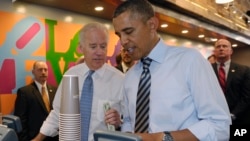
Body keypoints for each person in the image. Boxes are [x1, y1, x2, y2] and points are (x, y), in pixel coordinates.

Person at [112, 0, 231, 141]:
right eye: (119, 35)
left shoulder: (190, 61)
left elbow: (219, 125)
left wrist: (162, 138)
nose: (123, 41)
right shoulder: (130, 76)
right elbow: (128, 121)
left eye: (129, 31)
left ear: (152, 25)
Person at [32, 23, 124, 141]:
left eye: (103, 46)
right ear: (81, 48)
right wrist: (38, 139)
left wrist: (119, 122)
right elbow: (58, 112)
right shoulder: (71, 75)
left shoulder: (119, 80)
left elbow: (129, 120)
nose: (99, 52)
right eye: (93, 46)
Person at [14, 61, 58, 141]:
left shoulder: (55, 90)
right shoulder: (25, 92)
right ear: (33, 72)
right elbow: (21, 119)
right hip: (34, 137)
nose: (43, 72)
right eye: (40, 70)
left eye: (45, 70)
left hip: (54, 137)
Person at [211, 39, 250, 125]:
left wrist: (233, 114)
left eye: (224, 46)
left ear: (231, 51)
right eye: (218, 47)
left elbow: (247, 96)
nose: (221, 48)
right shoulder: (207, 69)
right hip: (213, 117)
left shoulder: (244, 70)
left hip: (238, 118)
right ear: (214, 51)